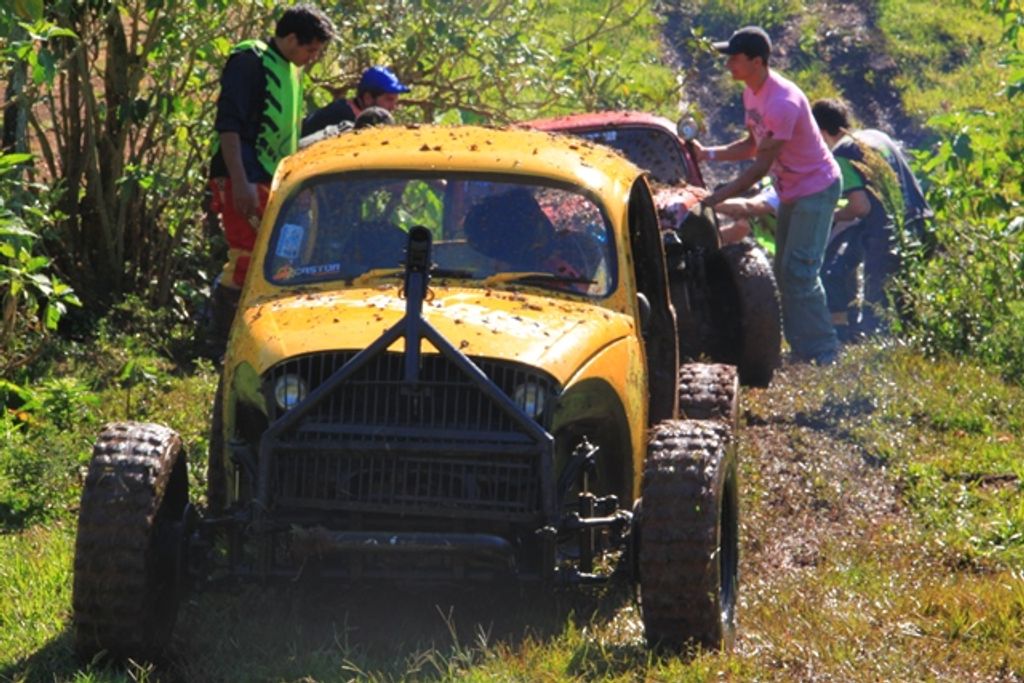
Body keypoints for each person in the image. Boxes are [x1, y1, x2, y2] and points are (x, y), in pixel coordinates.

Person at [695, 26, 841, 365]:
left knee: (800, 271)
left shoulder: (782, 102)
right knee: (784, 269)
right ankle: (802, 349)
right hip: (792, 188)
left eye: (735, 58)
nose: (728, 64)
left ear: (757, 61)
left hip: (815, 188)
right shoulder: (752, 93)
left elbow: (760, 167)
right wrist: (708, 155)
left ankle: (824, 350)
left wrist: (717, 197)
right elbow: (751, 145)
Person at [207, 4, 335, 355]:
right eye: (310, 50)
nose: (312, 58)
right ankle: (219, 342)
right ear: (291, 38)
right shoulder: (251, 60)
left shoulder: (290, 70)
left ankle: (258, 338)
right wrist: (240, 181)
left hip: (276, 181)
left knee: (280, 260)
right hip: (245, 178)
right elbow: (229, 124)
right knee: (246, 257)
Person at [812, 98, 904, 338]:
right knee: (904, 298)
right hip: (916, 220)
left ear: (820, 131)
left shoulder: (843, 152)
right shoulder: (875, 136)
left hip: (886, 231)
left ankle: (873, 357)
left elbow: (860, 207)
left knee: (877, 304)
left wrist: (829, 216)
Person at [301, 66, 409, 137]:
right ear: (368, 98)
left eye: (395, 101)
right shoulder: (342, 117)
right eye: (389, 99)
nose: (393, 107)